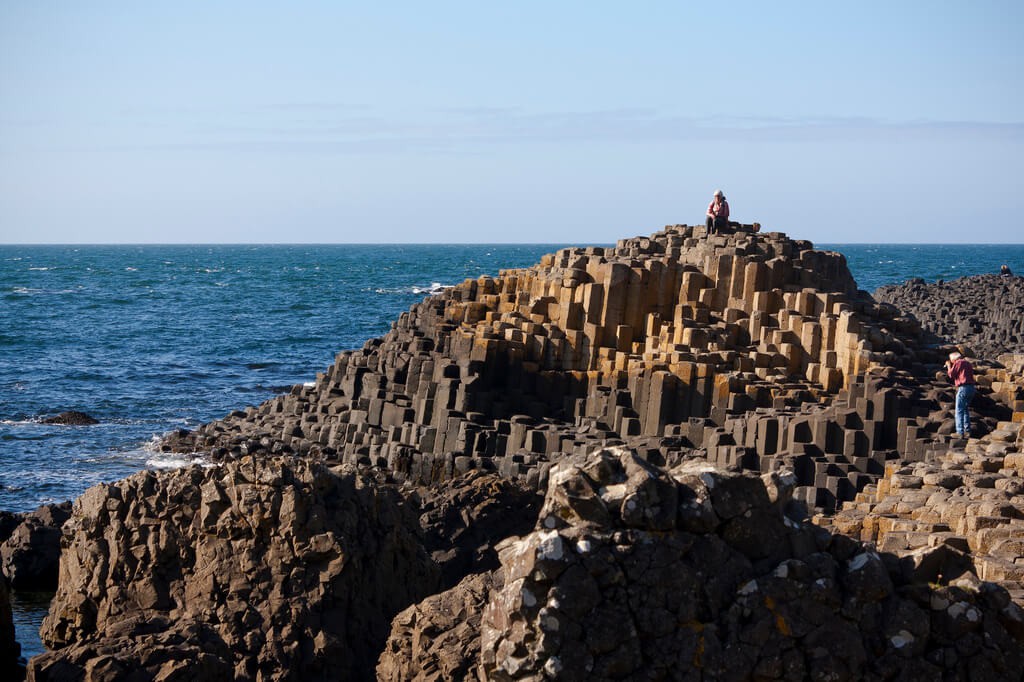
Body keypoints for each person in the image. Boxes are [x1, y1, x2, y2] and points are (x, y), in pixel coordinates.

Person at [944, 350, 976, 438]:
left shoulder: (959, 362)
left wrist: (948, 366)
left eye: (952, 361)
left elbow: (951, 374)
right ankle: (968, 431)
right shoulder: (967, 363)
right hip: (971, 388)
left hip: (963, 388)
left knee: (959, 411)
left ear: (954, 359)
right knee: (965, 410)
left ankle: (959, 432)